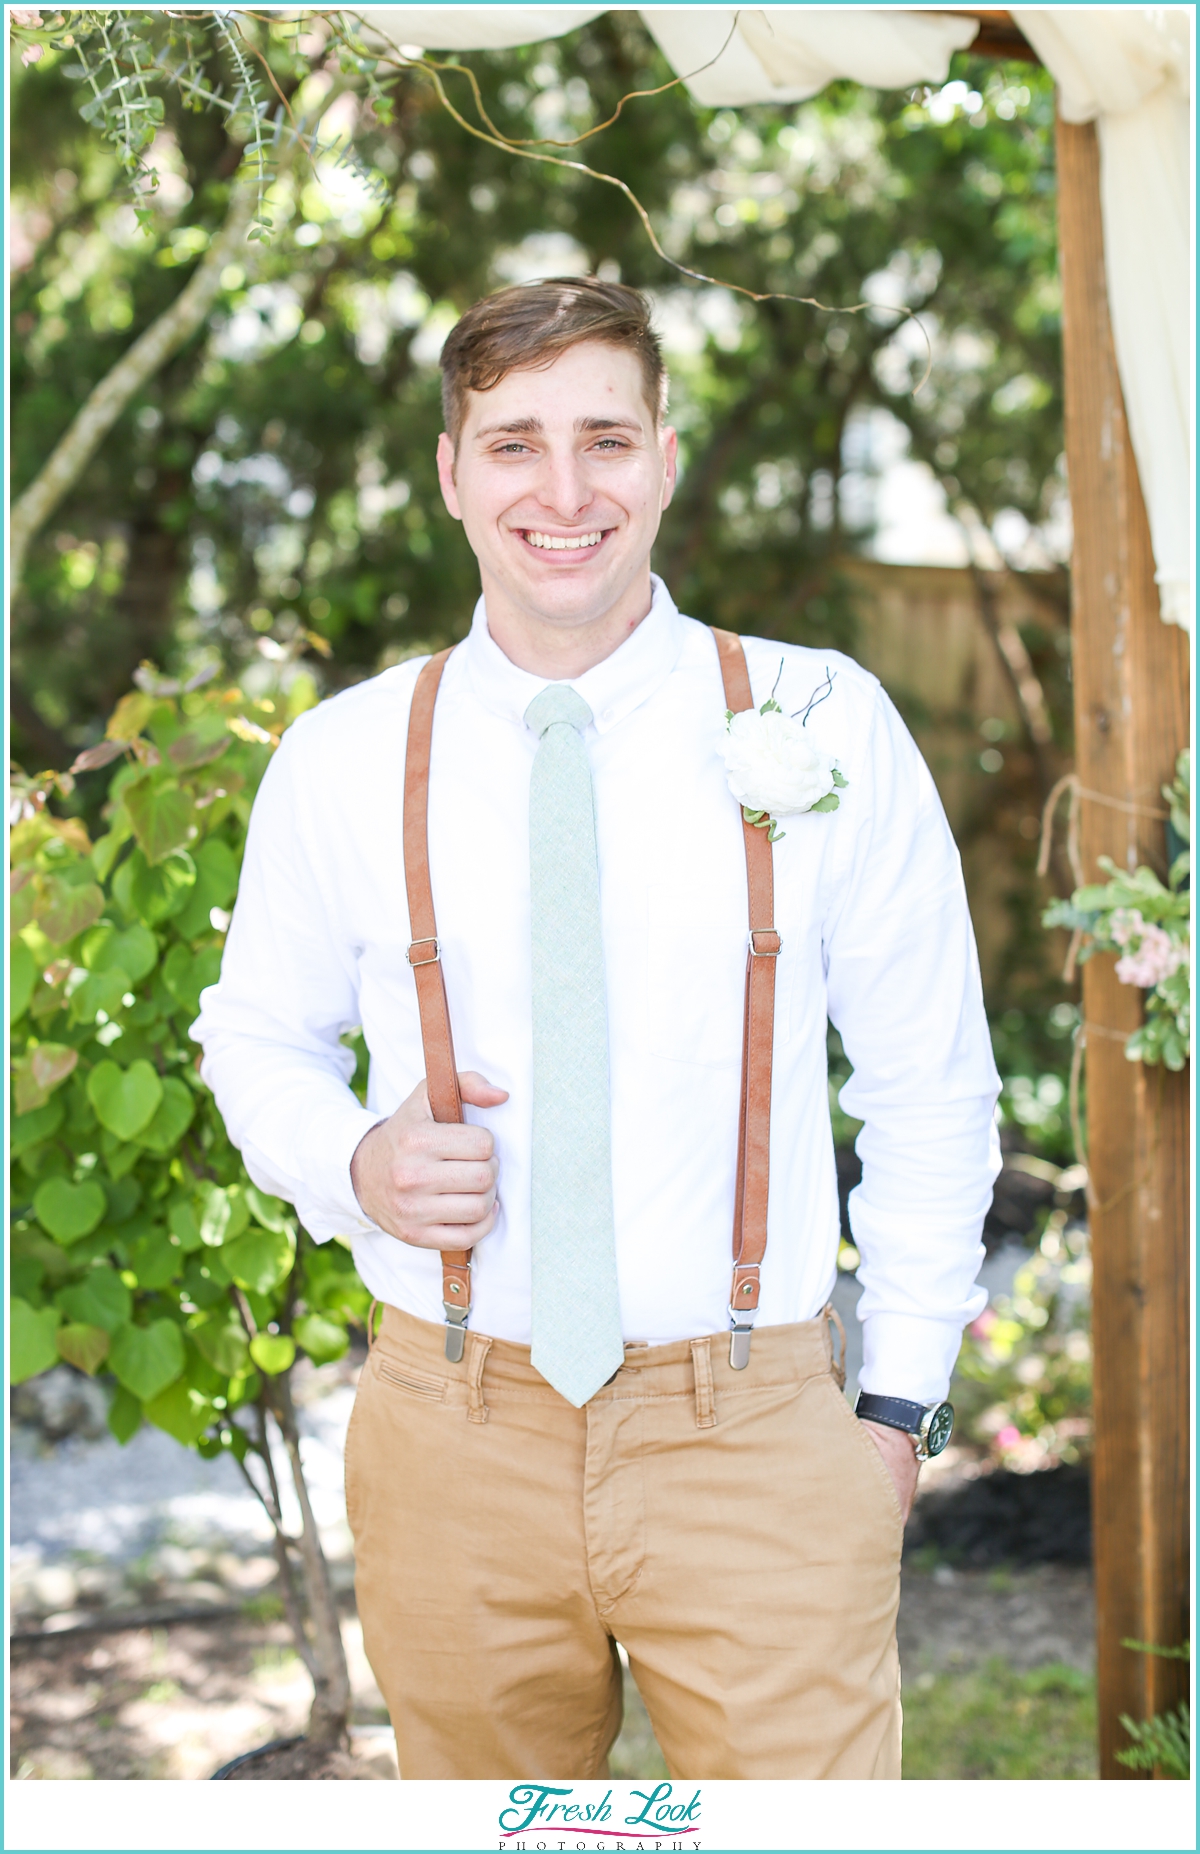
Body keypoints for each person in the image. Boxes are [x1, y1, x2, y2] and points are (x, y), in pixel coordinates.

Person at [194, 277, 1000, 1781]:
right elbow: (253, 1037)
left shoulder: (823, 721)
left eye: (606, 439)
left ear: (668, 459)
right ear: (450, 473)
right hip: (453, 1430)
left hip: (755, 1427)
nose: (564, 490)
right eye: (513, 444)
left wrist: (894, 1406)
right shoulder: (342, 757)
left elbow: (930, 1083)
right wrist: (354, 1159)